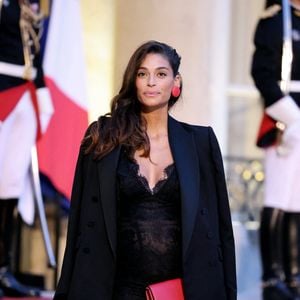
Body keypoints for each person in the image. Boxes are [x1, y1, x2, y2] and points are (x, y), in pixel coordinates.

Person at [54, 40, 237, 300]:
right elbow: (79, 224)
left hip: (182, 292)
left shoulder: (201, 143)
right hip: (115, 290)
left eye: (161, 74)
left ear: (176, 82)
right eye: (143, 74)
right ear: (134, 81)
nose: (151, 81)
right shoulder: (103, 138)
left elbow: (222, 231)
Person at [0, 0, 52, 297]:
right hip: (1, 94)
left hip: (25, 96)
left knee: (10, 184)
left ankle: (3, 269)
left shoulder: (30, 6)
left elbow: (35, 55)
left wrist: (43, 92)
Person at [251, 0, 300, 299]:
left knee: (297, 202)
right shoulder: (274, 21)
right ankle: (271, 276)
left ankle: (293, 274)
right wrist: (293, 118)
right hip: (285, 121)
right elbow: (262, 74)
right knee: (278, 198)